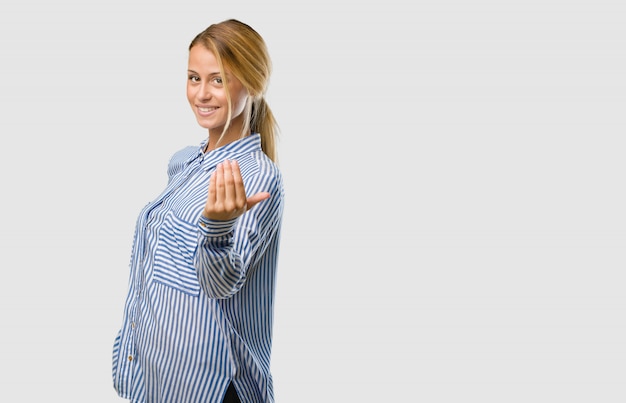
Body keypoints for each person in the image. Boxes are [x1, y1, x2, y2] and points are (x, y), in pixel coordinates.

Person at [111, 19, 284, 403]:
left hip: (211, 389)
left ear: (252, 83)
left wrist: (218, 230)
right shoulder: (185, 162)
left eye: (218, 80)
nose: (201, 94)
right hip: (159, 378)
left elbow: (222, 283)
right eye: (193, 78)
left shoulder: (257, 177)